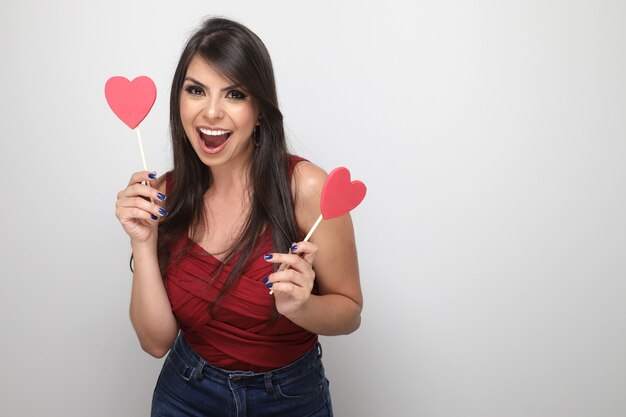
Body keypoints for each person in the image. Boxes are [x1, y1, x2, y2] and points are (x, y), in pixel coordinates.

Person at [115, 17, 362, 417]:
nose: (211, 112)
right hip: (186, 394)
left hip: (290, 398)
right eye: (196, 90)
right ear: (179, 100)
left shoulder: (308, 188)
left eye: (234, 94)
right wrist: (142, 242)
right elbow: (156, 343)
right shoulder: (162, 196)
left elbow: (350, 312)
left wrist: (302, 307)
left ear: (260, 110)